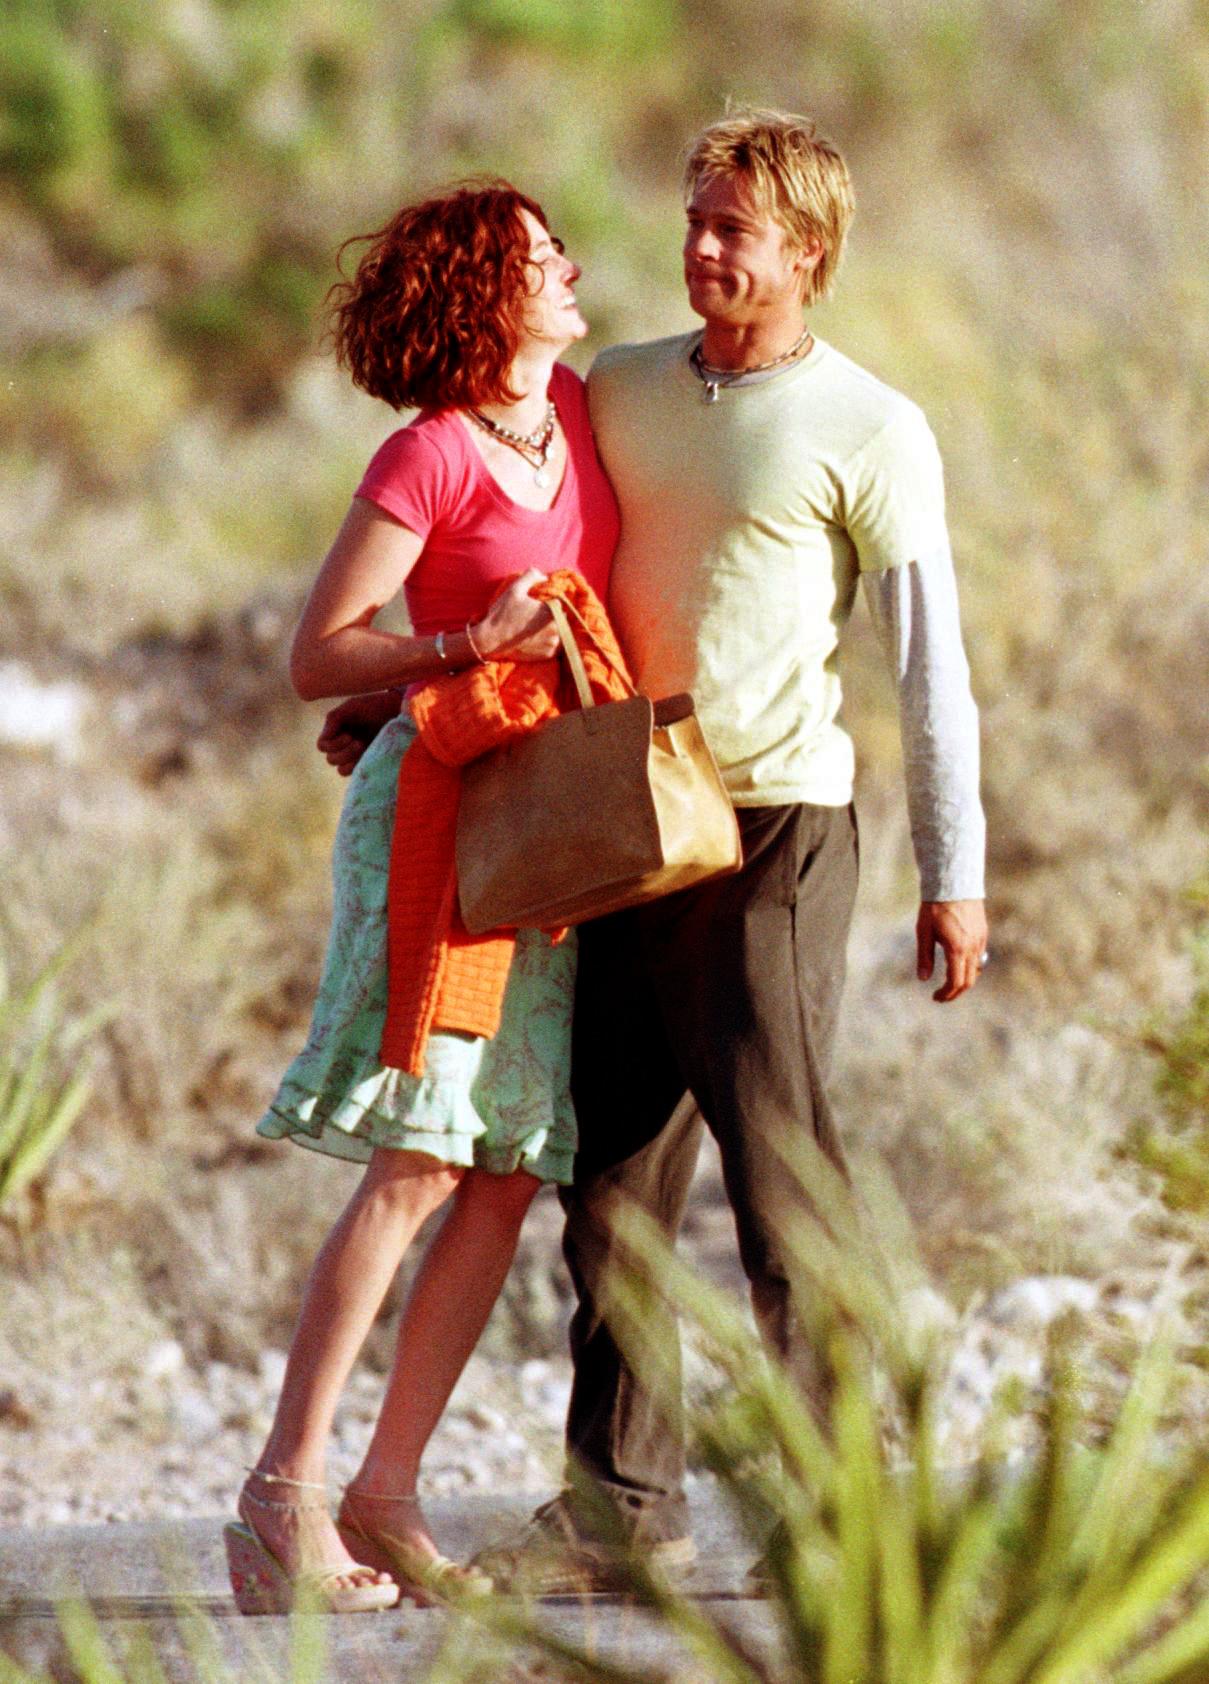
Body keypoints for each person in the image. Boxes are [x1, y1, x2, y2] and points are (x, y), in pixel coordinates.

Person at [469, 106, 990, 1591]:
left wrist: (953, 871)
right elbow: (509, 533)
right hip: (620, 816)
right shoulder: (617, 386)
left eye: (734, 231)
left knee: (783, 1174)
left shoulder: (873, 426)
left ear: (808, 254)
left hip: (775, 827)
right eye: (693, 220)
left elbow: (928, 666)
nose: (699, 250)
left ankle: (846, 1522)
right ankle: (615, 1511)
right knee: (613, 1183)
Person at [227, 180, 619, 1614]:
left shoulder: (574, 408)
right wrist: (462, 639)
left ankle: (387, 1497)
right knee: (417, 1161)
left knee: (504, 1163)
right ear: (481, 292)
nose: (569, 266)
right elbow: (319, 653)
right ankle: (285, 1499)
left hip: (552, 821)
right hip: (442, 817)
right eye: (537, 255)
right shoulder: (432, 456)